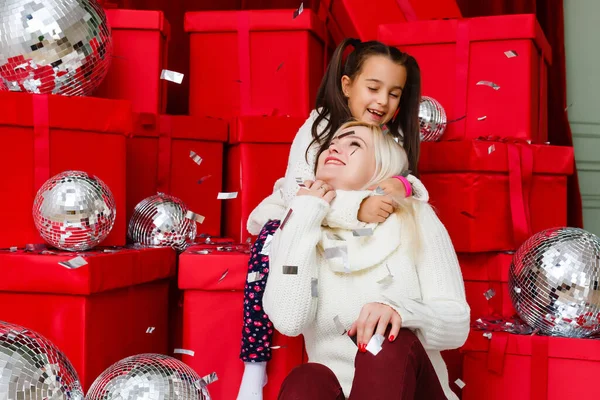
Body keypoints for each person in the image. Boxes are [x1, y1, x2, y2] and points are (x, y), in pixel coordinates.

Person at [237, 38, 429, 400]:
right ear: (346, 85)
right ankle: (254, 366)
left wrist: (403, 184)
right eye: (373, 88)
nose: (382, 102)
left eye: (394, 94)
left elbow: (409, 178)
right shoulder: (318, 129)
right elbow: (304, 192)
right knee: (265, 251)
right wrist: (356, 208)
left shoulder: (392, 135)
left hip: (348, 235)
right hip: (295, 213)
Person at [264, 121, 470, 399]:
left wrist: (400, 312)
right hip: (339, 392)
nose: (335, 147)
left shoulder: (415, 218)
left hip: (413, 390)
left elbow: (457, 325)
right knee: (306, 380)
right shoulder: (301, 227)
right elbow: (289, 320)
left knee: (382, 340)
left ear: (380, 171)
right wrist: (303, 214)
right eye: (333, 142)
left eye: (355, 145)